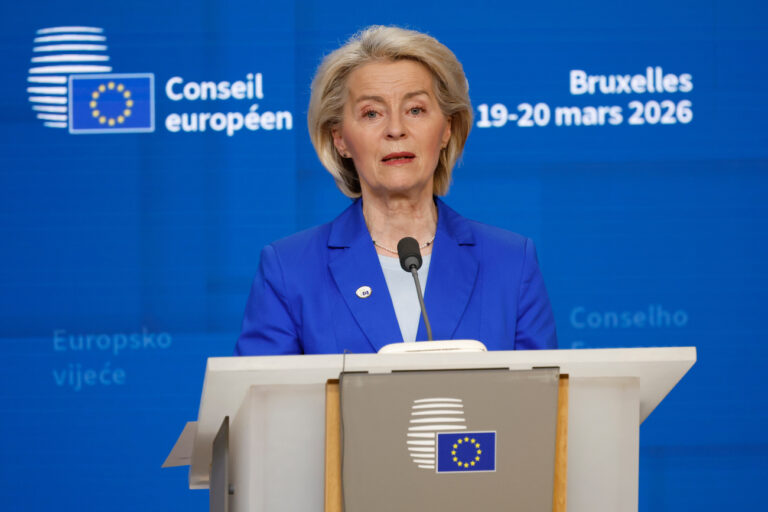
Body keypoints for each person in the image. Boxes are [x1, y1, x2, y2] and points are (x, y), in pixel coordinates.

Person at [235, 25, 557, 356]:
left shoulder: (511, 262)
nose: (395, 129)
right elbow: (262, 388)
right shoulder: (289, 270)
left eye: (415, 110)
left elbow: (541, 388)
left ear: (446, 128)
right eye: (372, 113)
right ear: (340, 139)